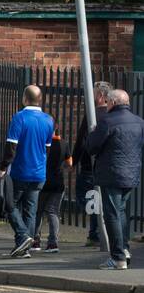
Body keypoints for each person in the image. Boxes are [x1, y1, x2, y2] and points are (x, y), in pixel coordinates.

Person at [85, 88, 144, 271]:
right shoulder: (139, 122)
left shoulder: (107, 122)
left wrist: (93, 133)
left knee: (112, 215)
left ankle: (117, 257)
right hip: (131, 174)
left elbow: (91, 147)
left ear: (112, 103)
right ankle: (125, 250)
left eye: (109, 103)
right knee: (121, 212)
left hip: (111, 174)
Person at [0, 84, 54, 257]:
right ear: (40, 99)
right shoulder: (48, 120)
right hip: (39, 173)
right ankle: (25, 247)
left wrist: (2, 168)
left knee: (10, 205)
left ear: (24, 99)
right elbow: (47, 149)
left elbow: (11, 147)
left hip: (20, 171)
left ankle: (23, 236)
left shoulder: (19, 117)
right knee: (30, 211)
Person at [72, 82, 112, 247]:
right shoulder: (112, 115)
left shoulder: (92, 115)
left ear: (101, 96)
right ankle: (95, 233)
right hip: (106, 165)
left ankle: (95, 233)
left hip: (89, 166)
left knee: (86, 197)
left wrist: (73, 160)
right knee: (99, 199)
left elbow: (82, 140)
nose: (90, 97)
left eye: (93, 93)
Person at [31, 130, 70, 253]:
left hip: (42, 182)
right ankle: (53, 243)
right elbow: (70, 162)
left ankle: (35, 241)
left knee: (38, 212)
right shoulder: (64, 143)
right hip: (58, 183)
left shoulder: (43, 143)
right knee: (53, 212)